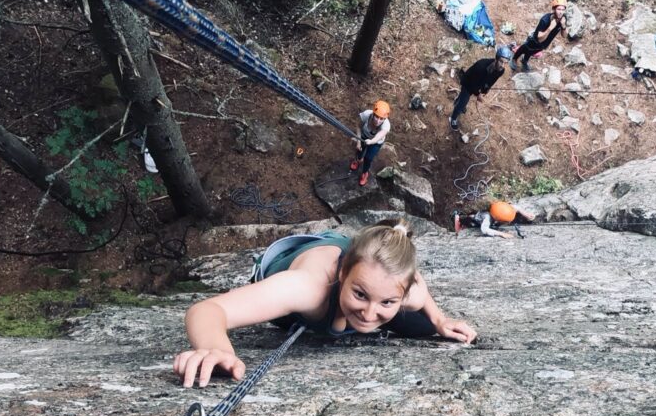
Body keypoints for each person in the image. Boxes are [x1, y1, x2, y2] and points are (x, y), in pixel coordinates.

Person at [173, 220, 477, 387]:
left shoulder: (408, 293)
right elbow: (208, 309)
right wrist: (217, 349)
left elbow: (417, 288)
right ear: (343, 272)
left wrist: (439, 320)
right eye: (360, 294)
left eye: (386, 301)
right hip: (292, 266)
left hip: (365, 275)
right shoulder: (307, 288)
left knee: (422, 328)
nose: (370, 314)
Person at [449, 45, 512, 130]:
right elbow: (472, 83)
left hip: (479, 82)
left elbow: (492, 80)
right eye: (501, 61)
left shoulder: (501, 70)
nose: (503, 65)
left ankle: (458, 100)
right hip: (468, 82)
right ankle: (453, 118)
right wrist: (478, 94)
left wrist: (486, 90)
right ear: (496, 59)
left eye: (506, 63)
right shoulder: (481, 66)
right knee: (463, 102)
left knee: (463, 98)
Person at [511, 0, 568, 73]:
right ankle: (514, 58)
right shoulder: (545, 20)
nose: (561, 12)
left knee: (532, 52)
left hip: (545, 44)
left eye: (563, 10)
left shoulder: (563, 19)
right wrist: (550, 28)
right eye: (559, 9)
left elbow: (564, 36)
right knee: (526, 48)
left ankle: (524, 61)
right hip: (535, 40)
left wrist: (563, 26)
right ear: (554, 9)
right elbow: (539, 38)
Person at [350, 100, 391, 187]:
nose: (378, 120)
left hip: (376, 142)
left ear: (385, 119)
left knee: (368, 158)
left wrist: (371, 141)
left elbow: (378, 137)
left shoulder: (386, 126)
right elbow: (358, 126)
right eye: (376, 116)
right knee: (359, 150)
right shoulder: (366, 115)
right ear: (373, 113)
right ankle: (358, 160)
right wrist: (358, 141)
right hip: (363, 136)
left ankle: (365, 173)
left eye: (381, 119)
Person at [454, 201, 535, 239]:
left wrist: (526, 214)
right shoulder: (487, 217)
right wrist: (501, 234)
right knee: (468, 221)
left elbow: (516, 208)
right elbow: (484, 229)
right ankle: (457, 218)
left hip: (491, 218)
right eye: (505, 222)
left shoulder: (501, 208)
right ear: (497, 219)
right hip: (474, 219)